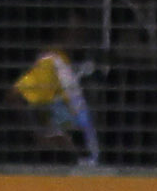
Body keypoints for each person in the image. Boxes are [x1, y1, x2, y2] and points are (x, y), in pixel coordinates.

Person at [17, 37, 100, 167]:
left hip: (84, 162)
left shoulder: (69, 66)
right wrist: (40, 137)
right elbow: (16, 96)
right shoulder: (51, 63)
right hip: (65, 162)